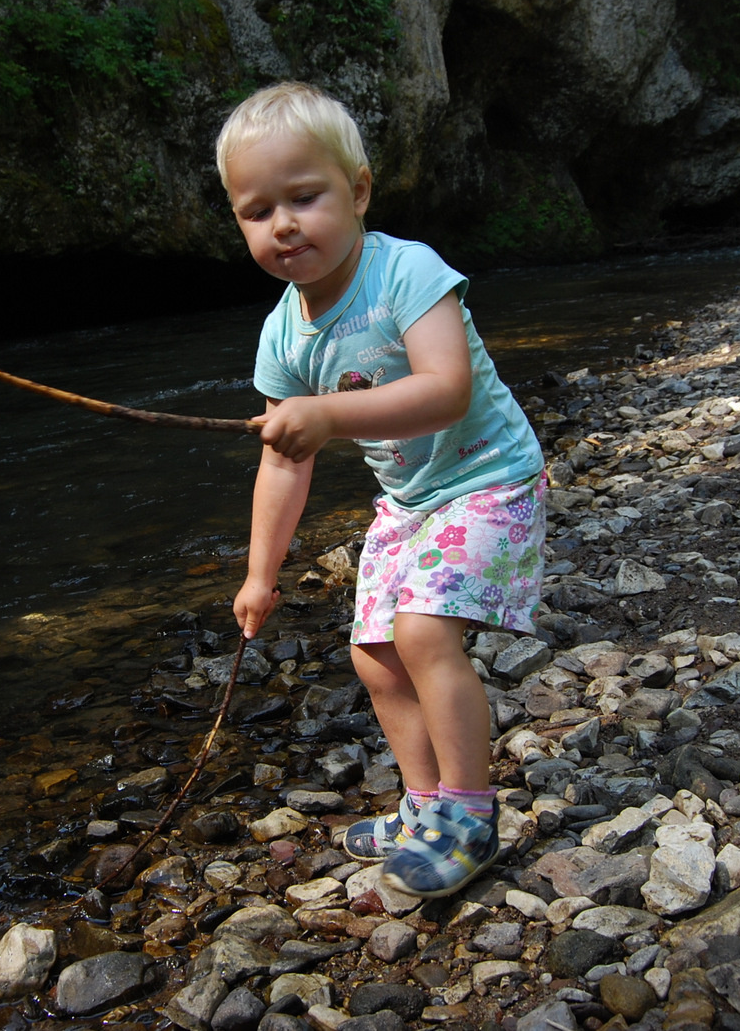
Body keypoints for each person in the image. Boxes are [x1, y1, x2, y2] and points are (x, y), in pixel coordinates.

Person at [217, 82, 548, 899]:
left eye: (305, 197)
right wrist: (261, 574)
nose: (284, 224)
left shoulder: (407, 271)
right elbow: (284, 461)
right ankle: (424, 804)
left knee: (425, 633)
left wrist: (328, 413)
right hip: (409, 501)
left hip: (487, 478)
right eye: (259, 211)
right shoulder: (282, 334)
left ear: (358, 191)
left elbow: (448, 390)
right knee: (375, 655)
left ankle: (469, 814)